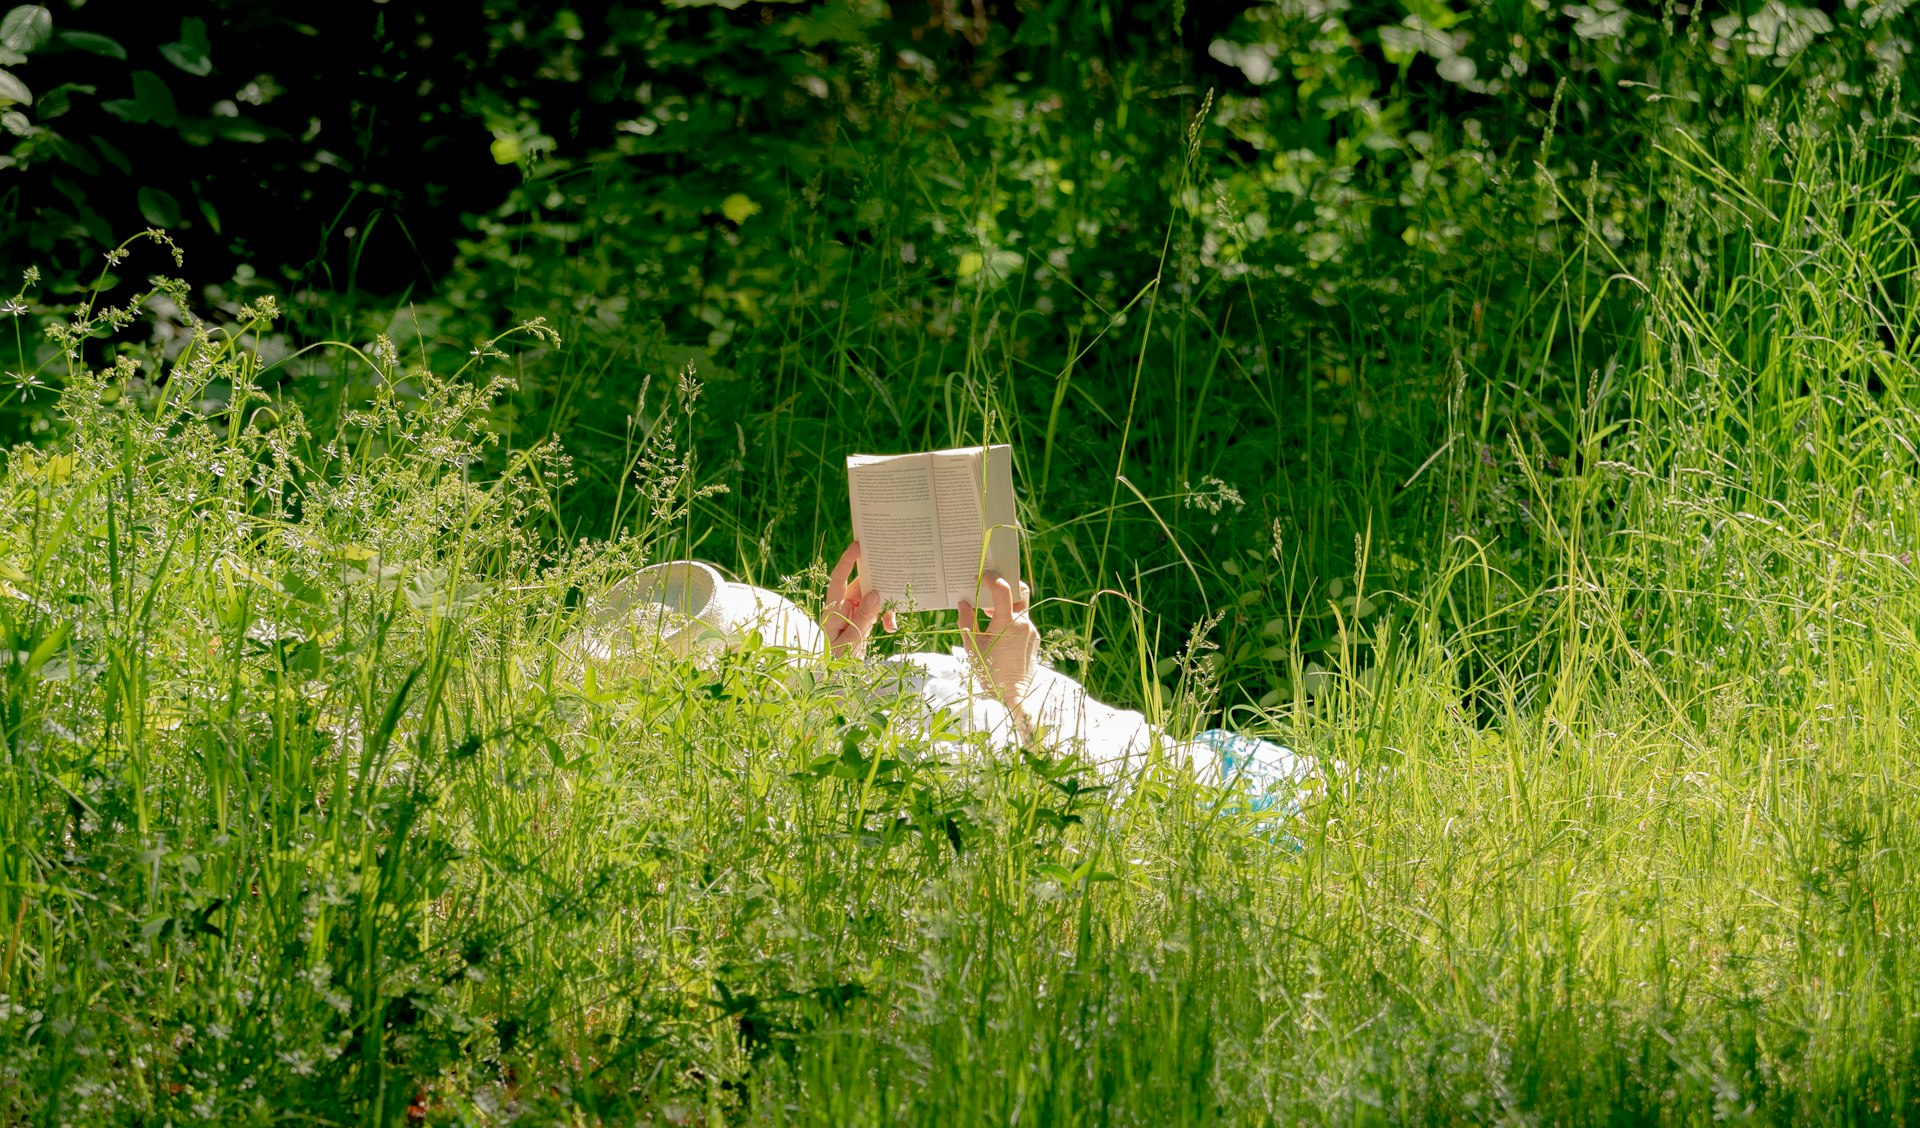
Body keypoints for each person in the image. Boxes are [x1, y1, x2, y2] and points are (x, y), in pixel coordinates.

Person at [569, 544, 1307, 811]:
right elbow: (1057, 811)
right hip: (1207, 793)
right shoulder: (875, 755)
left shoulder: (846, 711)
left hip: (1202, 763)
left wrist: (837, 671)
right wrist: (1012, 689)